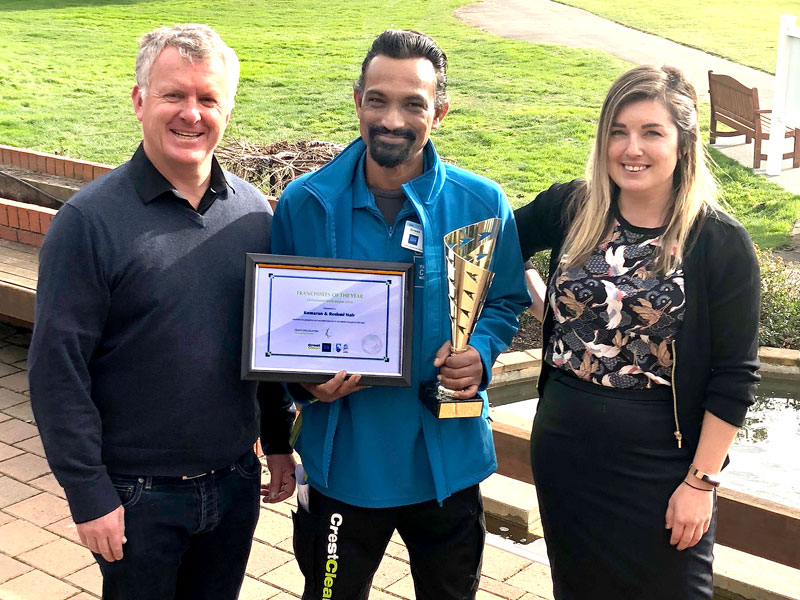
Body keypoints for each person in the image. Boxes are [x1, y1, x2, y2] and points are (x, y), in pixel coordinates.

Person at [28, 24, 296, 600]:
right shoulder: (90, 223)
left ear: (227, 108)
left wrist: (277, 441)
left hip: (234, 483)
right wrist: (88, 494)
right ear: (139, 100)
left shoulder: (253, 213)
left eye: (208, 98)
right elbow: (57, 371)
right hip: (136, 495)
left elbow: (266, 342)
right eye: (174, 95)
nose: (191, 114)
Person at [270, 29, 529, 600]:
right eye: (378, 100)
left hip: (445, 462)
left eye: (414, 103)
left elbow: (506, 298)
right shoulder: (304, 204)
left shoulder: (481, 204)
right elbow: (278, 323)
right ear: (357, 100)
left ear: (440, 109)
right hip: (343, 462)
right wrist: (305, 382)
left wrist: (481, 354)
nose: (393, 119)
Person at [515, 65, 760, 599]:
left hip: (664, 462)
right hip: (566, 449)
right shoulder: (572, 207)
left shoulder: (718, 242)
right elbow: (490, 244)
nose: (632, 148)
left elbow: (735, 377)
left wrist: (700, 484)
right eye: (618, 131)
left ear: (683, 142)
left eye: (652, 132)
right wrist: (549, 310)